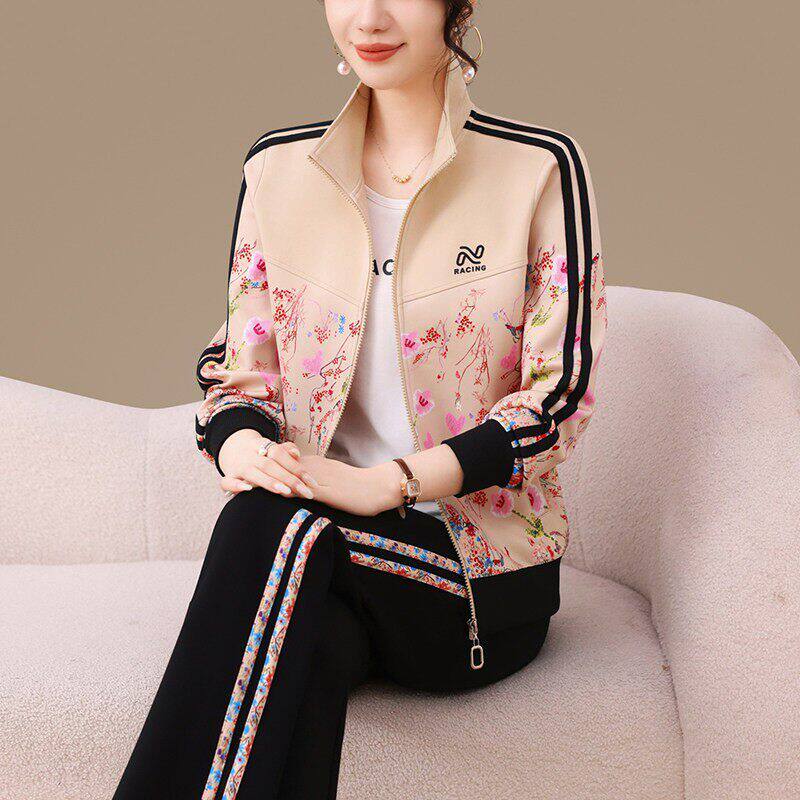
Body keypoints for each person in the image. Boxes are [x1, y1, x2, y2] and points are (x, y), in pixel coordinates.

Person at [112, 1, 607, 797]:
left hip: (471, 574)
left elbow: (560, 399)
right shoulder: (279, 170)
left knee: (265, 523)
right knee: (306, 658)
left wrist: (390, 483)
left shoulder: (537, 168)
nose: (369, 16)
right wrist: (240, 444)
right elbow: (239, 368)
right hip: (321, 559)